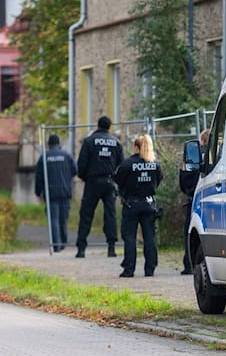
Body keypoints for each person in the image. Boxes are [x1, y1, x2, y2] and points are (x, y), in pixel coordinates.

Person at [114, 134, 163, 278]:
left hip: (131, 204)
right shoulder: (155, 164)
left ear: (136, 147)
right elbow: (158, 181)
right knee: (149, 237)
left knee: (129, 237)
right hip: (149, 204)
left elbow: (118, 180)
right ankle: (150, 269)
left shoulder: (127, 164)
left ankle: (129, 269)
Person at [75, 116, 124, 258]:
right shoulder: (116, 143)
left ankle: (81, 248)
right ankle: (111, 247)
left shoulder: (89, 141)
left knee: (86, 214)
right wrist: (116, 181)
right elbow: (121, 166)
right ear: (109, 127)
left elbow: (82, 164)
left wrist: (86, 178)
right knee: (110, 214)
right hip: (110, 182)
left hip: (93, 182)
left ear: (98, 125)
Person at [36, 134, 77, 253]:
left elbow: (39, 177)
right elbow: (75, 171)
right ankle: (63, 242)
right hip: (65, 191)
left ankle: (56, 244)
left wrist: (38, 192)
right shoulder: (67, 155)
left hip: (50, 193)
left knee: (53, 219)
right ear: (59, 144)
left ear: (49, 144)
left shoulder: (44, 157)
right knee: (63, 218)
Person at [178, 128, 210, 275]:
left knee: (190, 233)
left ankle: (189, 264)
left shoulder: (193, 156)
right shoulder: (216, 155)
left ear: (201, 141)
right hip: (211, 197)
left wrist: (189, 191)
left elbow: (183, 179)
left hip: (194, 198)